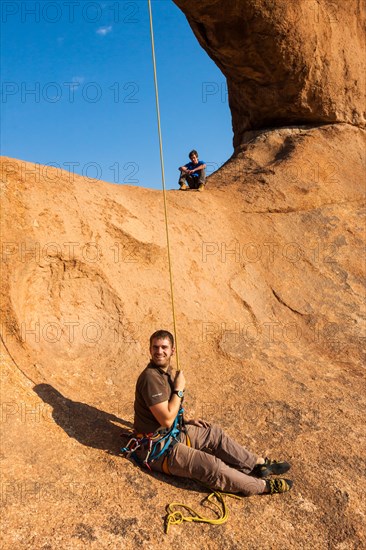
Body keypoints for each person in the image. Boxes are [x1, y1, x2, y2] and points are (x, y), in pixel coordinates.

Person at [129, 330, 293, 496]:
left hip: (172, 434)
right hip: (157, 450)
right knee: (212, 466)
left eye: (164, 347)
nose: (159, 351)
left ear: (173, 351)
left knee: (213, 433)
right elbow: (165, 420)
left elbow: (167, 413)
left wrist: (185, 421)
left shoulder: (166, 372)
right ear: (150, 350)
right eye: (155, 347)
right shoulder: (150, 378)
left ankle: (257, 464)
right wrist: (178, 390)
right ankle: (262, 486)